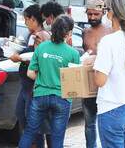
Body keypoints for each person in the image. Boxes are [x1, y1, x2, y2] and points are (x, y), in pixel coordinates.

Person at [86, 0, 125, 148]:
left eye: (105, 9)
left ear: (111, 13)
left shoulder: (108, 41)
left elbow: (100, 80)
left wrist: (94, 64)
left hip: (113, 109)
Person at [19, 15, 80, 148]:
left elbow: (30, 73)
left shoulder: (41, 47)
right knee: (57, 138)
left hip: (40, 96)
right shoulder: (73, 54)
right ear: (69, 33)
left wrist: (43, 78)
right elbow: (74, 82)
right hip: (62, 98)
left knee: (30, 132)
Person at [9, 4, 50, 148]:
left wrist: (19, 58)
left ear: (33, 19)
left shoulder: (41, 36)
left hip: (34, 86)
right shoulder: (31, 35)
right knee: (22, 116)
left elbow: (39, 58)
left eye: (26, 19)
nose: (25, 23)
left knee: (34, 124)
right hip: (25, 85)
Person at [81, 0, 111, 148]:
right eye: (89, 14)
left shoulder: (110, 32)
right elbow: (85, 54)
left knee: (106, 122)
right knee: (89, 123)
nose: (92, 17)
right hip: (89, 83)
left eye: (95, 14)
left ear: (103, 12)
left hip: (106, 84)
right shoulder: (85, 32)